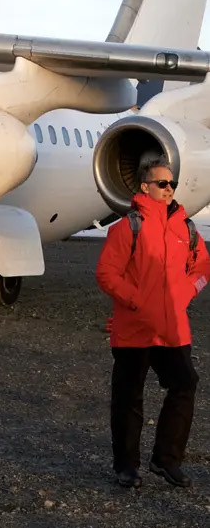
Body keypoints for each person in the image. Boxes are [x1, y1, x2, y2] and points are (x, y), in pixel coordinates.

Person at [96, 157, 210, 489]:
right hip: (134, 329)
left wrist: (188, 291)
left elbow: (202, 268)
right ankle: (126, 467)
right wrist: (136, 301)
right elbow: (106, 274)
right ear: (145, 187)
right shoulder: (127, 227)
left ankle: (166, 459)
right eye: (162, 183)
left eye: (172, 183)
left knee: (185, 383)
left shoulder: (185, 228)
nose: (169, 189)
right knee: (129, 397)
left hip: (172, 329)